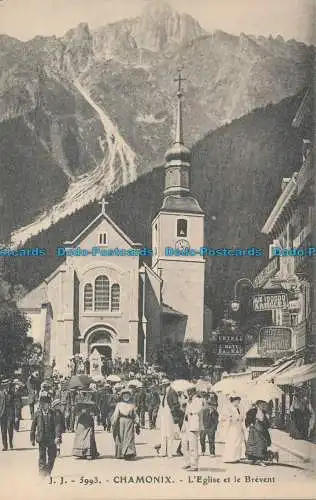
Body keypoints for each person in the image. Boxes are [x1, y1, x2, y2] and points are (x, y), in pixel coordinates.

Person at [30, 394, 61, 477]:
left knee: (52, 456)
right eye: (42, 404)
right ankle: (41, 473)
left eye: (46, 403)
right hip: (41, 438)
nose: (44, 405)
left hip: (51, 438)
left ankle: (48, 470)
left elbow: (57, 425)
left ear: (49, 404)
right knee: (42, 456)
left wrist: (57, 437)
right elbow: (33, 427)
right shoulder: (37, 414)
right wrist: (32, 439)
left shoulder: (53, 413)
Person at [111, 388, 139, 460]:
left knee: (129, 437)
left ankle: (129, 453)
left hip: (129, 421)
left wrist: (137, 422)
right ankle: (120, 453)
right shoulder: (119, 404)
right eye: (124, 395)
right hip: (121, 422)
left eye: (127, 395)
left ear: (129, 396)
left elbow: (135, 415)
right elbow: (116, 414)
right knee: (121, 436)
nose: (126, 397)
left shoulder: (132, 405)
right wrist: (114, 422)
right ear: (122, 396)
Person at [181, 386, 203, 471]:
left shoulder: (198, 400)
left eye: (189, 392)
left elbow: (197, 410)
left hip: (193, 424)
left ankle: (194, 465)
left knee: (193, 446)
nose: (188, 394)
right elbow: (185, 414)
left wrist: (189, 408)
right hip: (186, 424)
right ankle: (187, 462)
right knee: (184, 444)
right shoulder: (188, 401)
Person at [158, 379, 181, 458]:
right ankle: (163, 451)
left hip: (170, 413)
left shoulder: (172, 392)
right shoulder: (166, 393)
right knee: (164, 433)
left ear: (166, 385)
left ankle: (169, 452)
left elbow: (176, 404)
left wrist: (173, 412)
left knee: (170, 433)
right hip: (165, 413)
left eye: (163, 386)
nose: (162, 387)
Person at [245, 400, 272, 464]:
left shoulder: (264, 412)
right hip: (255, 429)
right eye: (260, 405)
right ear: (257, 405)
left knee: (262, 443)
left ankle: (260, 457)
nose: (262, 406)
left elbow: (266, 422)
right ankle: (253, 457)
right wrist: (251, 423)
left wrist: (266, 420)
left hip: (262, 429)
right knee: (254, 443)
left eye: (263, 405)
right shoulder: (252, 411)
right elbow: (248, 419)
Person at [222, 396, 245, 463]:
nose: (239, 402)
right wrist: (232, 418)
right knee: (232, 442)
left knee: (238, 442)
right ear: (234, 400)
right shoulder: (229, 407)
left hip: (238, 427)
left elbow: (242, 416)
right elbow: (226, 417)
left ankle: (237, 457)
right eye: (238, 401)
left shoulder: (239, 408)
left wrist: (241, 418)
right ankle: (230, 457)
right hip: (232, 427)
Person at [0, 380, 15, 451]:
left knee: (10, 429)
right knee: (3, 431)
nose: (7, 387)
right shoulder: (0, 394)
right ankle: (5, 446)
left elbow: (14, 404)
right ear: (3, 386)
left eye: (8, 386)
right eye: (6, 386)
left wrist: (15, 415)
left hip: (10, 414)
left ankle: (11, 443)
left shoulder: (11, 394)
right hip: (2, 414)